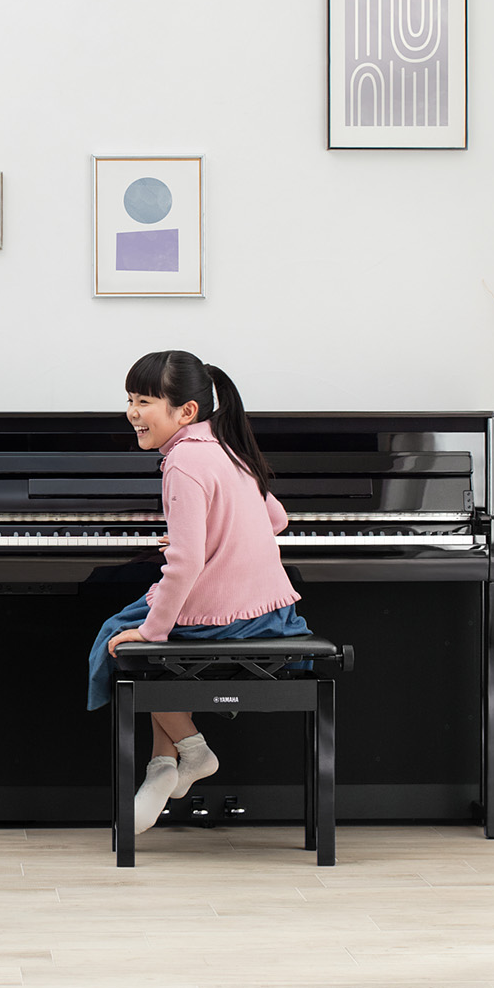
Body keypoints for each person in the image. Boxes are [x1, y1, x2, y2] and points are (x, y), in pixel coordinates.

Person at [88, 351, 310, 837]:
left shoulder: (182, 463)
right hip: (274, 611)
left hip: (228, 614)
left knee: (123, 638)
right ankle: (161, 768)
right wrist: (212, 533)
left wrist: (150, 631)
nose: (131, 412)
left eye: (144, 401)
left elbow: (185, 564)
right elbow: (277, 520)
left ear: (185, 412)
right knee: (150, 633)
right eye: (129, 399)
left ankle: (192, 750)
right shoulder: (227, 448)